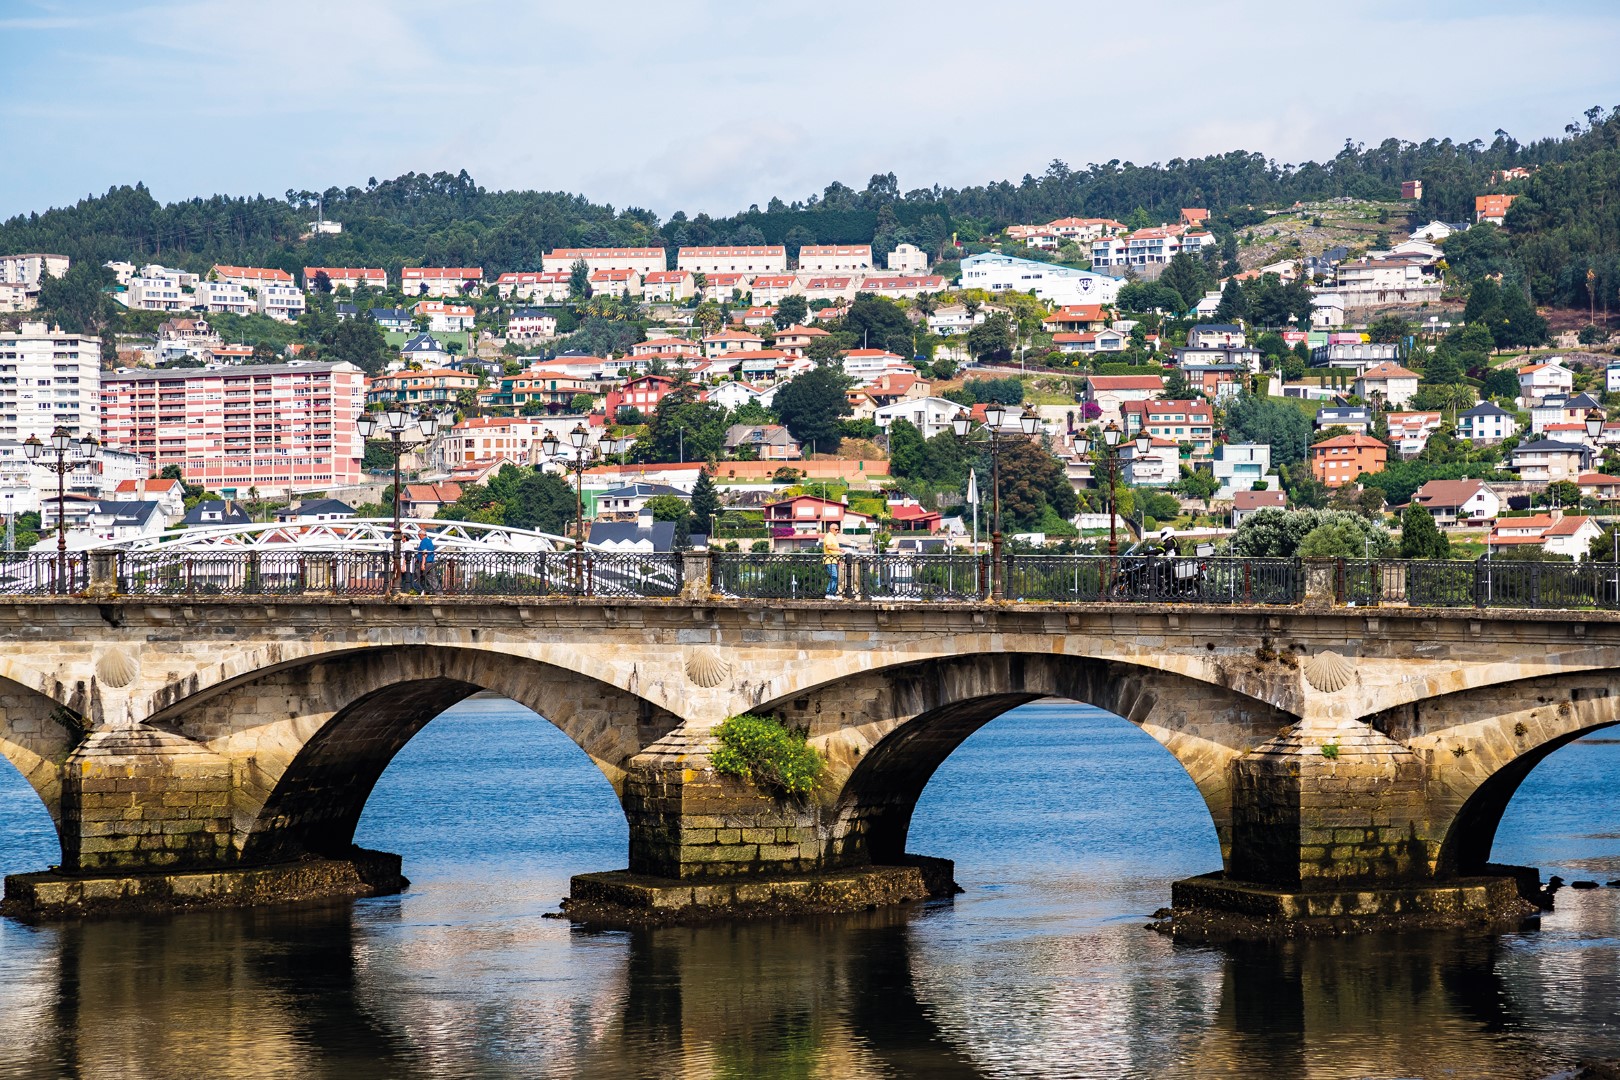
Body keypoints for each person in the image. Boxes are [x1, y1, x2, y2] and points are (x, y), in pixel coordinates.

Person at [822, 521, 844, 598]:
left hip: (833, 560)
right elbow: (828, 547)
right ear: (831, 529)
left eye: (838, 529)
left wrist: (838, 560)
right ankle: (829, 593)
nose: (837, 531)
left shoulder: (833, 537)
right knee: (834, 576)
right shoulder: (829, 536)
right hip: (829, 560)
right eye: (836, 529)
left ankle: (832, 594)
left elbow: (833, 550)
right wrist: (839, 549)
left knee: (835, 577)